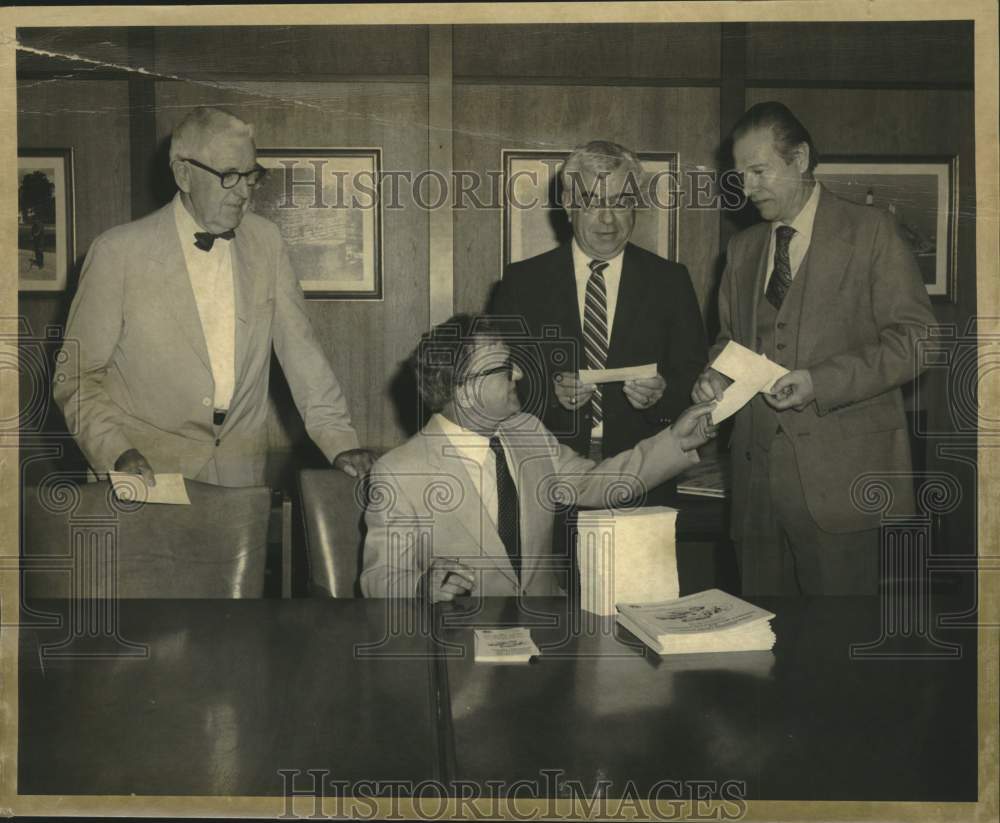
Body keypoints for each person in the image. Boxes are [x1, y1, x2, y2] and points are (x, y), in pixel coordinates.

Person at [53, 107, 373, 487]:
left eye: (251, 175)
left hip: (240, 475)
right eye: (229, 176)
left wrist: (339, 443)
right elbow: (75, 376)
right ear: (183, 174)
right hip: (144, 473)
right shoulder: (116, 253)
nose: (244, 192)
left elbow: (302, 354)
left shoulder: (266, 242)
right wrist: (116, 452)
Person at [692, 102, 936, 595]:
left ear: (800, 158)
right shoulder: (742, 250)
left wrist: (820, 382)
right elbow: (729, 341)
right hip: (756, 495)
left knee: (839, 654)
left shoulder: (872, 232)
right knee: (763, 652)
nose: (748, 188)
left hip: (846, 490)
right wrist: (716, 375)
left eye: (759, 171)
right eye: (740, 175)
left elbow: (918, 341)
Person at [360, 313, 715, 601]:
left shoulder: (528, 432)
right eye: (504, 367)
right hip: (461, 649)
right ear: (465, 388)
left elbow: (596, 484)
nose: (519, 374)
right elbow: (378, 578)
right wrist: (422, 586)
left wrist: (676, 441)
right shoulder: (398, 473)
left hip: (548, 636)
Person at [490, 140, 707, 467]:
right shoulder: (522, 283)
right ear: (567, 203)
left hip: (646, 469)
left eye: (621, 203)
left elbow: (695, 379)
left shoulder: (670, 281)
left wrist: (662, 394)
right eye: (592, 202)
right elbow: (498, 380)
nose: (608, 220)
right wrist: (551, 396)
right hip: (547, 469)